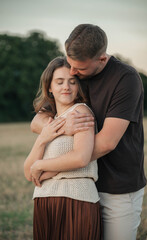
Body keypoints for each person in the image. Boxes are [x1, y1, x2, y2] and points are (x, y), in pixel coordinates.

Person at [31, 24, 147, 240]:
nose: (73, 72)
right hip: (84, 187)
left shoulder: (126, 79)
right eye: (70, 64)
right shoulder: (75, 72)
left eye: (79, 70)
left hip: (117, 186)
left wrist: (52, 169)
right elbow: (38, 120)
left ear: (101, 59)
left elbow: (106, 143)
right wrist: (63, 127)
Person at [24, 56, 101, 240]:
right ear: (49, 87)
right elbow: (29, 172)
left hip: (76, 199)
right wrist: (43, 139)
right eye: (59, 82)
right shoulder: (49, 122)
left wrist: (42, 166)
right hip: (45, 200)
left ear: (78, 87)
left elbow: (81, 158)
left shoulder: (81, 112)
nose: (66, 87)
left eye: (72, 82)